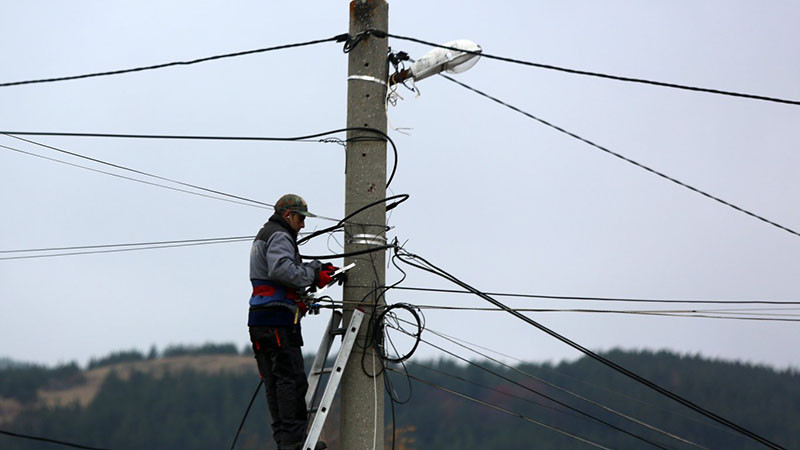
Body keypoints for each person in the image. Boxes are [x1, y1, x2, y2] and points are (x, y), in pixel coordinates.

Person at [248, 194, 336, 450]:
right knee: (291, 381)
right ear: (288, 215)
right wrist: (313, 276)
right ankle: (294, 443)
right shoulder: (280, 235)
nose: (303, 225)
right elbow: (282, 270)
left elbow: (280, 271)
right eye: (300, 218)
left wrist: (316, 269)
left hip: (261, 321)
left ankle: (285, 443)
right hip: (277, 322)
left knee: (275, 384)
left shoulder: (266, 234)